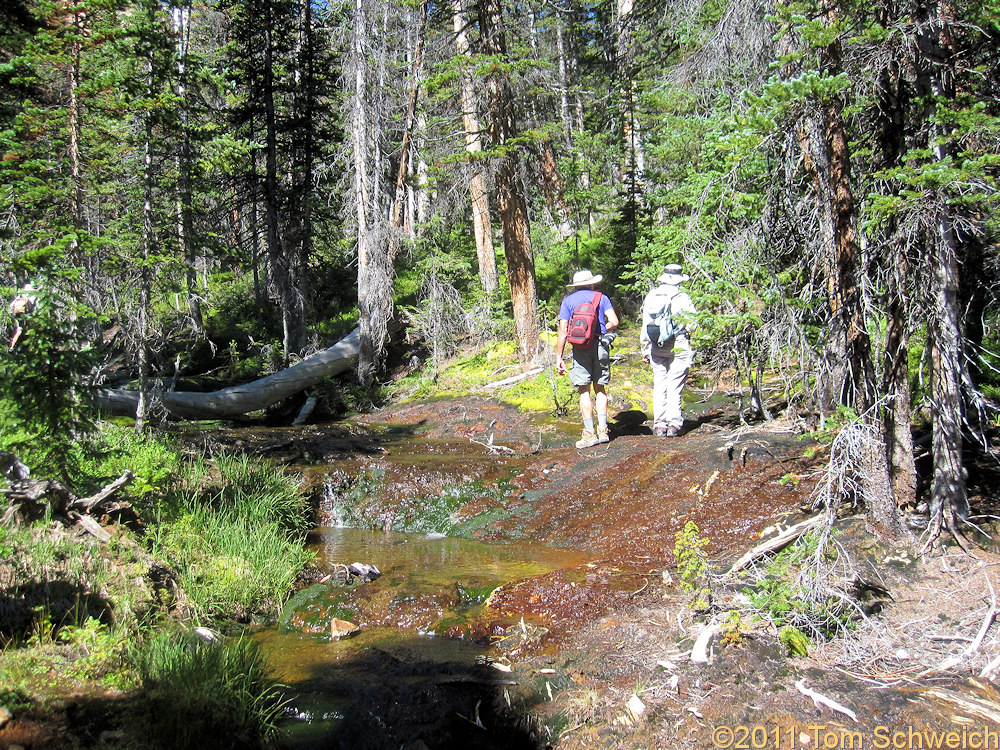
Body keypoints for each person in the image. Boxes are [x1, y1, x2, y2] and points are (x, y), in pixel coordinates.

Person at [556, 270, 619, 449]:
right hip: (600, 346)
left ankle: (589, 434)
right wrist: (601, 331)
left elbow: (563, 331)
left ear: (576, 286)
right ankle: (603, 431)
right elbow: (614, 321)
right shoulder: (602, 297)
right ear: (591, 283)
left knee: (584, 391)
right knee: (600, 388)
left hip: (580, 348)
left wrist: (559, 356)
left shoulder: (568, 301)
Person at [640, 264, 696, 437]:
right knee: (675, 384)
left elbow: (645, 325)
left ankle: (660, 425)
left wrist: (645, 348)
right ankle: (674, 424)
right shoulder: (683, 296)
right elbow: (692, 324)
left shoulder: (652, 295)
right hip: (679, 343)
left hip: (657, 345)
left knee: (660, 383)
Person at [8, 283, 37, 352]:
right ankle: (31, 349)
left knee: (19, 330)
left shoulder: (20, 296)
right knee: (31, 330)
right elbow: (35, 308)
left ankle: (11, 347)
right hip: (28, 316)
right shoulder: (33, 296)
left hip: (18, 315)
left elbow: (11, 306)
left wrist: (12, 315)